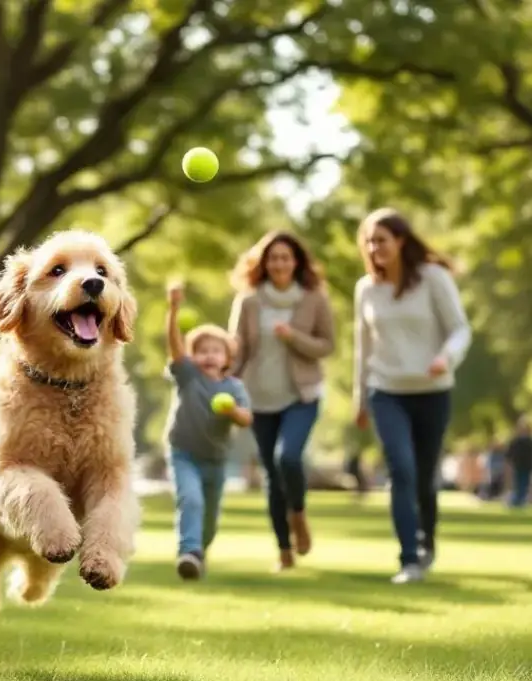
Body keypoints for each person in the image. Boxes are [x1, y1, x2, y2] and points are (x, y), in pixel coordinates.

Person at [353, 208, 471, 584]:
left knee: (424, 478)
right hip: (386, 390)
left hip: (432, 391)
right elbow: (362, 348)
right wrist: (360, 399)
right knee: (400, 470)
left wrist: (445, 357)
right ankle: (408, 559)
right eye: (369, 241)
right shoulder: (366, 288)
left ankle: (427, 542)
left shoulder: (433, 278)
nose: (375, 248)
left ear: (401, 241)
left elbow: (460, 329)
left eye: (382, 240)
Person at [228, 231, 335, 571]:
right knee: (272, 474)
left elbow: (327, 345)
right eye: (273, 258)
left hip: (302, 395)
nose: (279, 263)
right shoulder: (249, 301)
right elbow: (237, 348)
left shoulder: (314, 299)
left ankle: (299, 514)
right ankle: (284, 550)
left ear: (296, 262)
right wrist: (227, 384)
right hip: (259, 398)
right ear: (264, 263)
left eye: (285, 257)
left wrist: (294, 337)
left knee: (288, 458)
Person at [164, 282, 252, 581]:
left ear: (228, 359)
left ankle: (199, 548)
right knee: (191, 500)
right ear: (193, 356)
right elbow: (175, 346)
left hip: (215, 460)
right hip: (184, 453)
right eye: (202, 351)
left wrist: (232, 411)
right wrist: (173, 310)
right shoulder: (188, 376)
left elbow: (245, 419)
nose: (209, 356)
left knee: (210, 521)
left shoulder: (234, 388)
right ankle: (190, 552)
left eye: (216, 351)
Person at [506, 416, 531, 507]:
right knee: (517, 483)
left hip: (526, 465)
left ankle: (520, 499)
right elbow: (509, 455)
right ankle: (517, 499)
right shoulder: (515, 442)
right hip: (517, 465)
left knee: (524, 483)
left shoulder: (528, 441)